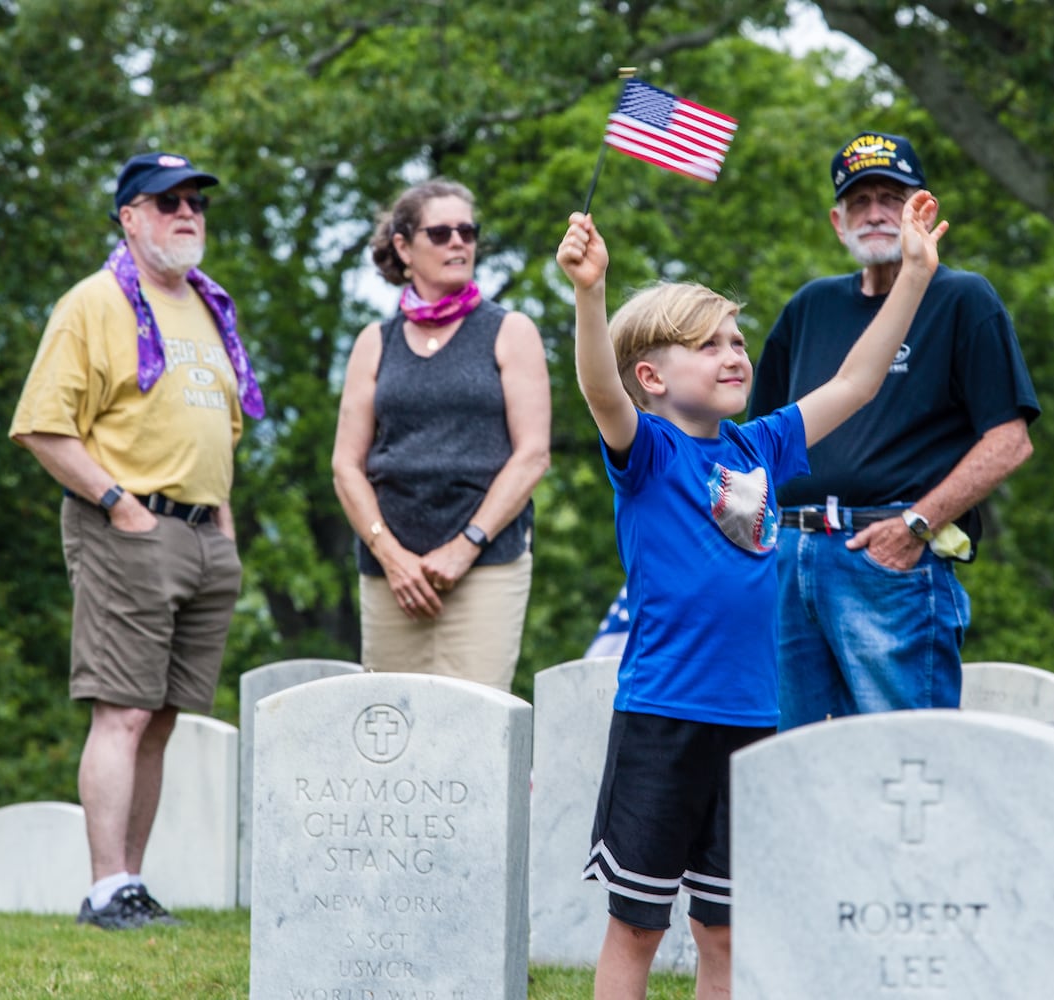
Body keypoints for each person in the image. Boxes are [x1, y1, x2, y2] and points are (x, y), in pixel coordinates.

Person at [555, 189, 946, 999]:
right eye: (708, 346)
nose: (733, 354)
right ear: (652, 376)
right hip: (663, 716)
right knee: (637, 924)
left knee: (725, 929)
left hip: (753, 720)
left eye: (736, 340)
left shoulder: (763, 443)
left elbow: (858, 383)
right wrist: (590, 294)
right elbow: (598, 389)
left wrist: (911, 277)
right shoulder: (648, 449)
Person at [10, 150, 263, 930]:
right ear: (129, 217)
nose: (187, 213)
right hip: (129, 526)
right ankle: (101, 888)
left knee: (161, 716)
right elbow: (43, 427)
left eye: (196, 202)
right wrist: (119, 504)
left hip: (201, 531)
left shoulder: (205, 304)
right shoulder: (92, 303)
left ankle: (131, 884)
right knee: (120, 712)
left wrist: (220, 522)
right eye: (167, 202)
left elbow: (223, 424)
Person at [748, 131, 1039, 730]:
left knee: (902, 763)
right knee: (786, 766)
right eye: (860, 200)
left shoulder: (963, 298)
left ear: (923, 209)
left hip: (889, 561)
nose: (877, 212)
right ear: (837, 221)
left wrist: (912, 528)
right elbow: (760, 443)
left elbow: (1010, 440)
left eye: (892, 196)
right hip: (789, 558)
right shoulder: (809, 307)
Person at [331, 179, 550, 692]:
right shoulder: (375, 342)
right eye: (441, 232)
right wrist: (392, 557)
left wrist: (466, 545)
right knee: (390, 729)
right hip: (392, 574)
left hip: (487, 564)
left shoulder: (509, 331)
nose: (459, 242)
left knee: (474, 728)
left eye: (468, 231)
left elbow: (533, 455)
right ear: (404, 247)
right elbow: (346, 466)